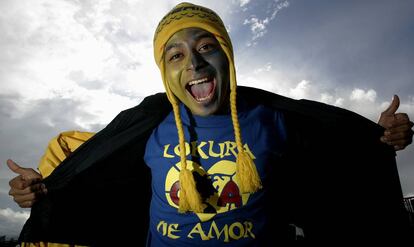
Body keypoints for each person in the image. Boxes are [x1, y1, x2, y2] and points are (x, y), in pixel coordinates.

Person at [7, 2, 414, 245]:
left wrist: (376, 140)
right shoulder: (148, 125)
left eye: (206, 47)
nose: (195, 63)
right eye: (176, 55)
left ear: (228, 57)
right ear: (164, 71)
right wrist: (44, 193)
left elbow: (337, 162)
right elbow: (96, 178)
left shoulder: (272, 119)